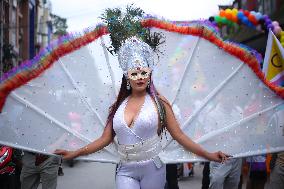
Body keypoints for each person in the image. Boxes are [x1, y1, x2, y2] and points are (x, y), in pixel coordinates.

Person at [55, 34, 229, 188]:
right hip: (125, 169)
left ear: (150, 74)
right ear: (127, 77)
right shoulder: (117, 106)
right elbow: (104, 139)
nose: (140, 78)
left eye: (144, 72)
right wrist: (74, 153)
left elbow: (180, 136)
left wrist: (209, 155)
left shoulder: (160, 104)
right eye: (135, 73)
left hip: (153, 170)